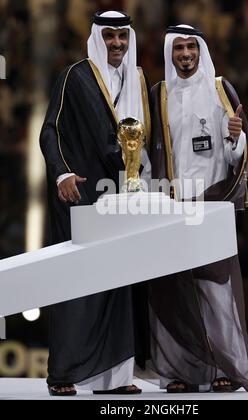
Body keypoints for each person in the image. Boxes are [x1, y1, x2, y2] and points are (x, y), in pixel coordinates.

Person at [40, 10, 151, 396]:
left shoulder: (137, 79)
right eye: (109, 37)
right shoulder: (75, 76)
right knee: (76, 284)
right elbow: (50, 129)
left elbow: (144, 142)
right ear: (96, 38)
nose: (117, 44)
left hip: (123, 195)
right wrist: (62, 174)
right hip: (81, 193)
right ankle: (63, 375)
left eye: (122, 36)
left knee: (119, 284)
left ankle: (115, 379)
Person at [149, 24, 248, 393]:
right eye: (178, 48)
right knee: (175, 292)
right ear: (169, 53)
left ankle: (223, 369)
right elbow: (150, 153)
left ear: (201, 50)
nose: (185, 54)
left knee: (216, 292)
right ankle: (180, 373)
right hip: (172, 205)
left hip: (212, 204)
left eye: (191, 47)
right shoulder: (158, 94)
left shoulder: (219, 89)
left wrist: (235, 136)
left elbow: (235, 154)